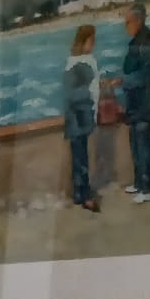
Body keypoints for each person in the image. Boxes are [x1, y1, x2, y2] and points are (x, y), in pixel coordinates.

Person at [119, 3, 150, 203]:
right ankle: (138, 183)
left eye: (127, 22)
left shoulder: (147, 42)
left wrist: (123, 81)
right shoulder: (138, 40)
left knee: (143, 146)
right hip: (134, 102)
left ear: (138, 21)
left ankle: (147, 188)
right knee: (135, 144)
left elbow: (147, 74)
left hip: (143, 101)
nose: (125, 26)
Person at [64, 25, 102, 213]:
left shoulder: (84, 61)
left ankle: (82, 194)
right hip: (78, 118)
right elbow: (71, 93)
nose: (93, 44)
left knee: (81, 157)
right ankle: (83, 196)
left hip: (82, 117)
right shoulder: (76, 63)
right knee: (80, 159)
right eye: (91, 41)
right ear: (83, 41)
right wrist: (89, 93)